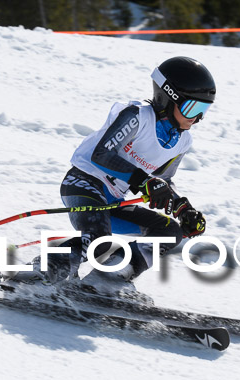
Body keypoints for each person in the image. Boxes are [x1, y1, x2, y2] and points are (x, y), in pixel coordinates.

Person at [44, 56, 216, 285]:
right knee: (98, 242)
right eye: (192, 107)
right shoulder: (137, 115)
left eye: (204, 109)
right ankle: (39, 273)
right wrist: (144, 181)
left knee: (169, 232)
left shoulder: (182, 141)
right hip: (84, 183)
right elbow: (102, 154)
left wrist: (183, 208)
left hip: (113, 200)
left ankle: (107, 280)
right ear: (169, 97)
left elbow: (162, 180)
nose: (198, 118)